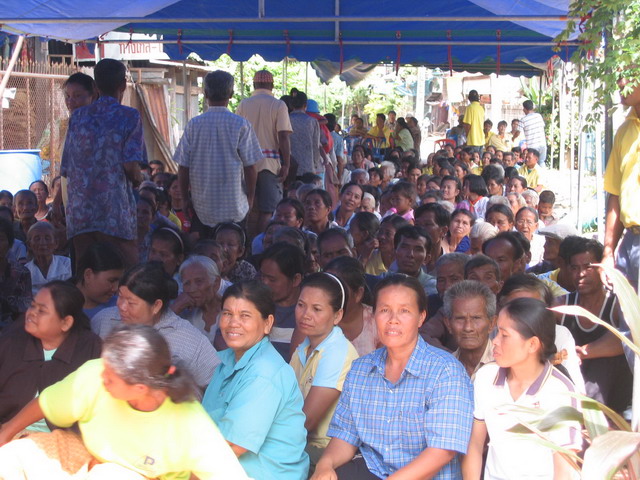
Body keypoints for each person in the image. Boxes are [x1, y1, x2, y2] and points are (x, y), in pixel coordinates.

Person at [0, 324, 249, 479]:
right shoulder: (96, 372)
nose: (102, 377)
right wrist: (6, 432)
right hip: (86, 453)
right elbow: (47, 403)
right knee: (12, 457)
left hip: (138, 475)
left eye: (110, 378)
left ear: (139, 388)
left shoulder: (190, 424)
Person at [312, 274, 473, 480]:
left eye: (404, 311)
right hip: (374, 470)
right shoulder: (361, 370)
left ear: (421, 317)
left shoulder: (446, 371)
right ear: (374, 315)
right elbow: (345, 435)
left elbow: (442, 451)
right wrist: (325, 465)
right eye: (384, 310)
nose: (393, 320)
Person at [463, 298, 581, 480]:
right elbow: (475, 445)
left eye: (504, 335)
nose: (495, 341)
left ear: (532, 344)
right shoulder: (486, 377)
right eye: (497, 332)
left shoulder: (560, 391)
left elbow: (565, 468)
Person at [202, 280, 310, 480]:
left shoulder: (264, 373)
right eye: (227, 313)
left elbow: (232, 448)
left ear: (267, 323)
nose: (233, 323)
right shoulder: (226, 362)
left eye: (245, 315)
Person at [58, 58, 143, 269]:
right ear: (123, 84)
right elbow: (131, 165)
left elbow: (66, 167)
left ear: (95, 86)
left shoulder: (77, 118)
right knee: (127, 267)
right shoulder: (129, 116)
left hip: (80, 209)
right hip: (114, 208)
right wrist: (139, 180)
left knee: (85, 269)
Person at [91, 262, 220, 389]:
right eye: (120, 296)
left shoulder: (190, 341)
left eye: (131, 303)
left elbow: (218, 384)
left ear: (156, 306)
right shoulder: (103, 320)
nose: (122, 306)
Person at [0, 281, 101, 430]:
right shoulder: (11, 341)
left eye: (42, 310)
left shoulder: (91, 348)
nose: (32, 313)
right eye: (32, 306)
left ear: (66, 323)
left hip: (65, 439)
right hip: (7, 432)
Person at [175, 70, 262, 231]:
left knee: (204, 246)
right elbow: (250, 167)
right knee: (232, 245)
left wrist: (185, 199)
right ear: (231, 94)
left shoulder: (193, 125)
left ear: (205, 93)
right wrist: (250, 197)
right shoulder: (241, 125)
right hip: (235, 208)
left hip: (202, 209)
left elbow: (183, 167)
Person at [556, 237, 632, 413]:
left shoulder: (617, 306)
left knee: (605, 362)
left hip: (616, 395)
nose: (581, 274)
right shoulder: (560, 306)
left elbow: (626, 339)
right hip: (574, 387)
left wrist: (582, 352)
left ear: (602, 268)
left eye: (588, 267)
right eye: (574, 268)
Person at [290, 273, 359, 466]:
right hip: (299, 440)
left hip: (325, 449)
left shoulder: (337, 351)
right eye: (301, 305)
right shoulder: (304, 347)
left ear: (337, 315)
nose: (305, 315)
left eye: (317, 309)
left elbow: (308, 421)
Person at [236, 70, 292, 233]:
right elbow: (283, 136)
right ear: (272, 85)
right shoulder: (279, 105)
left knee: (244, 209)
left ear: (254, 85)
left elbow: (237, 135)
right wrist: (286, 164)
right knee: (268, 211)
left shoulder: (243, 104)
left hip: (246, 164)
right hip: (270, 165)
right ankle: (260, 242)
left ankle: (243, 242)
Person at [602, 78, 640, 291]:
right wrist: (608, 251)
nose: (620, 81)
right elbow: (615, 194)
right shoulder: (625, 130)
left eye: (628, 73)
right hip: (630, 241)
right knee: (626, 311)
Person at [37, 73, 98, 205]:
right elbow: (67, 171)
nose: (70, 102)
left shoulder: (97, 127)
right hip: (70, 203)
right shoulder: (73, 125)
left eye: (77, 96)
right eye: (68, 96)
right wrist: (58, 201)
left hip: (88, 204)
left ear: (92, 96)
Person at [259, 242, 305, 360]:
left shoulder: (309, 314)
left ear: (296, 279)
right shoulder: (255, 306)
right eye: (262, 277)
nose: (265, 283)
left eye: (272, 280)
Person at [325, 256, 379, 355]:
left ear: (358, 294)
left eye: (338, 289)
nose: (329, 295)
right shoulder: (314, 318)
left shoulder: (378, 322)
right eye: (326, 288)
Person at [443, 280, 496, 379]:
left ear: (492, 323)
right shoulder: (443, 368)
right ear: (448, 324)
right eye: (460, 318)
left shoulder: (506, 366)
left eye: (476, 318)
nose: (468, 327)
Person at [172, 255, 222, 345]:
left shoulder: (231, 311)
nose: (192, 289)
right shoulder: (183, 311)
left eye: (199, 281)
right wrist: (175, 308)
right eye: (187, 283)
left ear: (216, 283)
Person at [74, 242, 124, 319]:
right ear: (88, 275)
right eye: (111, 281)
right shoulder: (60, 307)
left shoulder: (121, 308)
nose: (116, 288)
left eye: (119, 282)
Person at [0, 217, 32, 327]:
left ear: (9, 243)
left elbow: (24, 313)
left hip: (12, 330)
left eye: (0, 239)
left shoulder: (21, 273)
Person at [24, 222, 71, 296]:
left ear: (56, 243)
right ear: (29, 245)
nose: (42, 243)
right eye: (37, 239)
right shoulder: (25, 271)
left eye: (47, 238)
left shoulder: (67, 264)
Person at [388, 225, 437, 295]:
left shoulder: (432, 286)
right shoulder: (383, 281)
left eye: (418, 250)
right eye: (404, 247)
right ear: (394, 252)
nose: (410, 254)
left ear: (426, 258)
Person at [290, 92, 324, 178]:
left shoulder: (286, 119)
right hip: (307, 166)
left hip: (289, 166)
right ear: (305, 105)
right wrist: (315, 163)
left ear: (292, 105)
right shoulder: (312, 121)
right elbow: (316, 145)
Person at [414, 202, 451, 272]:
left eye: (427, 224)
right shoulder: (405, 262)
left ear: (443, 231)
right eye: (417, 224)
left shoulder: (450, 265)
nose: (421, 229)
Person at [520, 100, 547, 166]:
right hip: (542, 144)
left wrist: (513, 137)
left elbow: (518, 132)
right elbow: (542, 126)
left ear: (524, 109)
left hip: (532, 146)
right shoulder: (539, 116)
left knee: (532, 164)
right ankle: (542, 172)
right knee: (541, 162)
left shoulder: (523, 120)